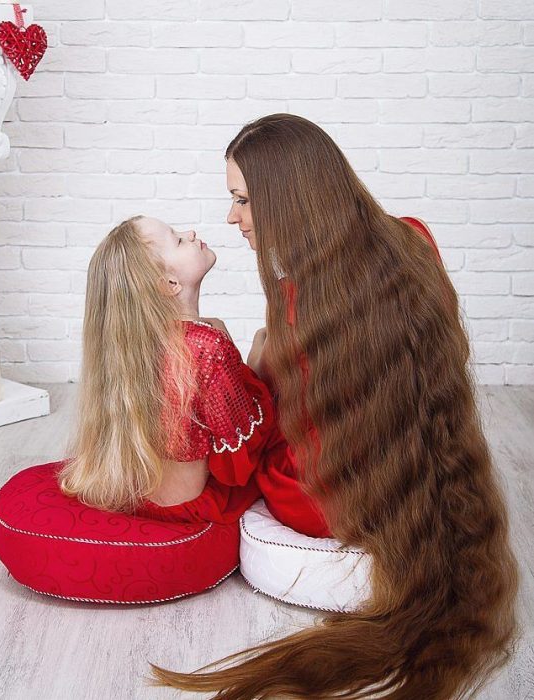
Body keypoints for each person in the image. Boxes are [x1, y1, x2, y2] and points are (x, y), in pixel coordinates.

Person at [148, 114, 519, 700]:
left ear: (287, 200)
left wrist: (230, 355)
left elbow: (261, 438)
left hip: (327, 501)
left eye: (242, 200)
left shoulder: (301, 303)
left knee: (225, 402)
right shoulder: (413, 236)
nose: (231, 217)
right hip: (402, 470)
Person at [58, 215, 279, 527]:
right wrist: (259, 375)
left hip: (142, 496)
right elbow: (238, 462)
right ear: (169, 283)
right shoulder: (206, 347)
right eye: (177, 239)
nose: (190, 233)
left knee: (262, 339)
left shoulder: (145, 341)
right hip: (189, 507)